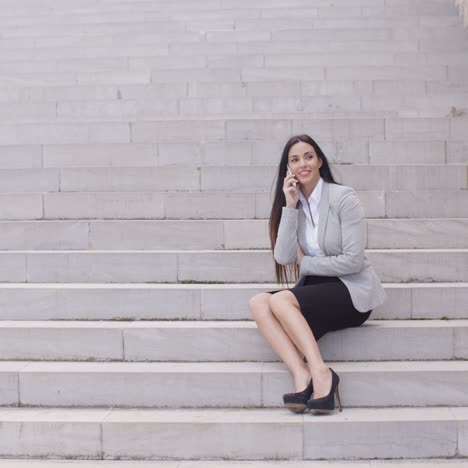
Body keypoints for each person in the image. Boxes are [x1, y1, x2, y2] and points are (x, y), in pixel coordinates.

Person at [248, 134, 387, 415]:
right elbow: (284, 258)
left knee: (281, 301)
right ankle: (302, 374)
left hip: (350, 290)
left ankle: (321, 372)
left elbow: (353, 260)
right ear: (288, 169)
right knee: (258, 303)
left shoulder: (343, 197)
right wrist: (289, 206)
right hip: (320, 289)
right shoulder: (295, 204)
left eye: (308, 156)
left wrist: (308, 264)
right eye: (295, 159)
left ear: (320, 161)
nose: (303, 164)